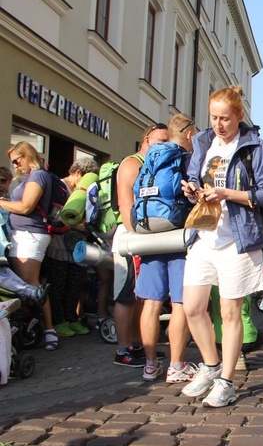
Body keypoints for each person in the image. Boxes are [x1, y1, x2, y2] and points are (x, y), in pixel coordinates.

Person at [180, 86, 263, 407]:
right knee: (193, 307)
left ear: (239, 116)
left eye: (225, 118)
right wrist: (192, 189)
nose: (219, 124)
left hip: (239, 239)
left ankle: (226, 380)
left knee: (229, 312)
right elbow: (193, 178)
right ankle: (210, 365)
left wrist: (227, 194)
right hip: (204, 235)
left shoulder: (255, 147)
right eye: (213, 118)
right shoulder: (202, 144)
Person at [135, 114, 197, 382]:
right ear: (188, 133)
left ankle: (150, 365)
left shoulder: (150, 157)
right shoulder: (184, 158)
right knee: (180, 302)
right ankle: (176, 365)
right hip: (176, 234)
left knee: (151, 302)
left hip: (149, 232)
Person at [111, 123, 168, 366]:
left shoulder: (155, 165)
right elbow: (126, 205)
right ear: (146, 139)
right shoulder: (132, 163)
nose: (163, 145)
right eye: (159, 140)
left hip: (144, 238)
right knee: (125, 295)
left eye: (167, 141)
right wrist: (137, 235)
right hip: (130, 238)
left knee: (139, 296)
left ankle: (136, 344)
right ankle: (122, 349)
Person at [0, 142, 58, 350]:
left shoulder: (38, 176)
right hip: (23, 236)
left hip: (30, 236)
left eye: (17, 160)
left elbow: (26, 206)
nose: (15, 165)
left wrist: (1, 202)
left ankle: (49, 330)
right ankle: (34, 328)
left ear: (27, 156)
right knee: (24, 284)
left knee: (31, 285)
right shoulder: (29, 178)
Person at [43, 158, 100, 337]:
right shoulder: (59, 187)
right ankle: (59, 321)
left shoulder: (80, 191)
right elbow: (55, 215)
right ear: (77, 173)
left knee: (74, 283)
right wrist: (77, 226)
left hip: (74, 245)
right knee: (59, 284)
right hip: (58, 244)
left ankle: (71, 319)